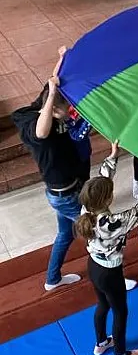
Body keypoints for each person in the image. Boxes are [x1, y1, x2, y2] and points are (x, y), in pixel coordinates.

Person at [12, 66, 90, 291]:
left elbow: (51, 83)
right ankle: (113, 278)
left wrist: (62, 59)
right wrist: (53, 99)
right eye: (68, 110)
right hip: (65, 195)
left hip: (66, 190)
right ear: (54, 109)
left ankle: (52, 279)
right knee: (100, 233)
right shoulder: (33, 126)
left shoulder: (44, 103)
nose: (71, 113)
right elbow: (41, 132)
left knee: (65, 234)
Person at [75, 152, 138, 355]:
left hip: (94, 266)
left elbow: (100, 181)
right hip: (110, 273)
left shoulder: (86, 209)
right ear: (108, 199)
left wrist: (113, 156)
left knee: (102, 304)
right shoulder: (112, 223)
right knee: (121, 311)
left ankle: (100, 342)